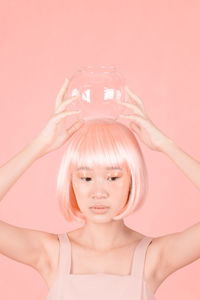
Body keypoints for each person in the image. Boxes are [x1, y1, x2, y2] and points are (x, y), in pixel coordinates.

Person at [0, 78, 200, 300]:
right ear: (71, 182)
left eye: (113, 177)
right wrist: (38, 146)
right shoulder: (50, 254)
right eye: (86, 178)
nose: (99, 192)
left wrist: (165, 145)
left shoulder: (154, 257)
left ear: (132, 180)